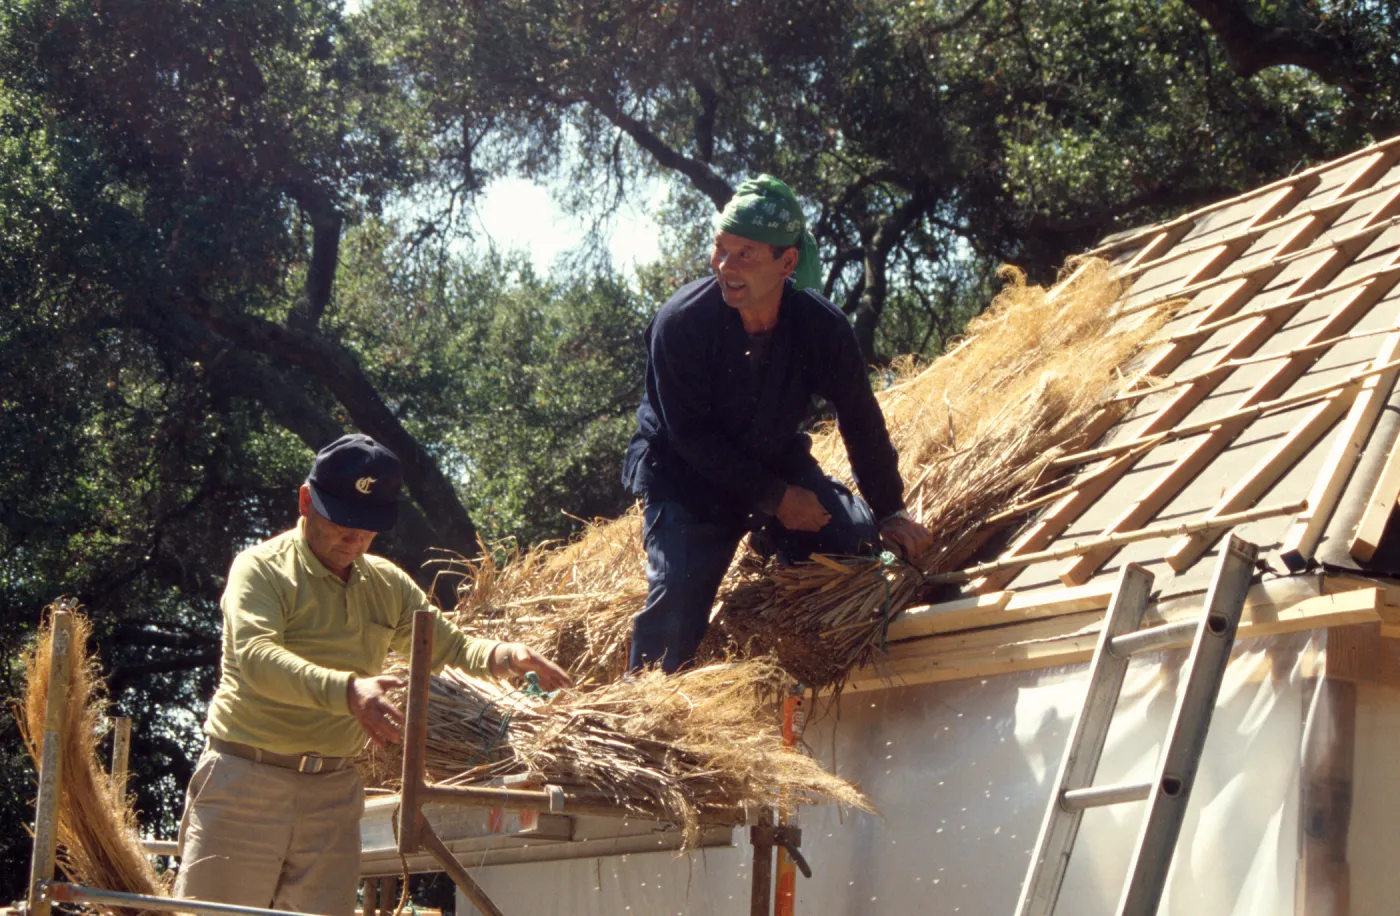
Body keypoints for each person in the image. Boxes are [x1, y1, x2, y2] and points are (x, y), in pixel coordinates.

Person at [173, 434, 570, 915]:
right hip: (245, 781)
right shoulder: (260, 570)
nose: (354, 540)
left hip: (334, 791)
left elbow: (446, 644)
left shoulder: (386, 583)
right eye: (343, 523)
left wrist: (506, 655)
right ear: (305, 501)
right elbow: (256, 658)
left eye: (367, 528)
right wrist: (346, 690)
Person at [621, 174, 933, 674]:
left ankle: (770, 538)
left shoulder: (821, 328)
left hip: (773, 454)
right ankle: (642, 713)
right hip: (686, 477)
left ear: (787, 262)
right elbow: (690, 435)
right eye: (720, 249)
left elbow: (861, 420)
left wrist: (892, 508)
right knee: (676, 608)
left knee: (852, 546)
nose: (726, 266)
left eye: (745, 254)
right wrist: (776, 498)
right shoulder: (680, 324)